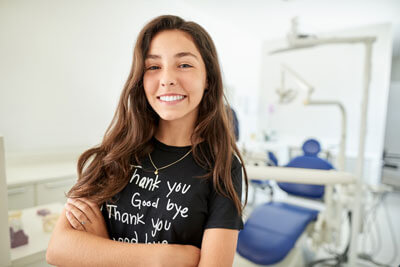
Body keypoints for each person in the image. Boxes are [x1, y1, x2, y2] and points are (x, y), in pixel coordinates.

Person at [46, 14, 248, 267]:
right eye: (153, 67)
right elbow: (58, 249)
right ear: (140, 79)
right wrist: (166, 258)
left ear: (208, 78)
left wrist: (100, 244)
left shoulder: (223, 167)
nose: (167, 79)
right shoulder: (114, 153)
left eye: (184, 65)